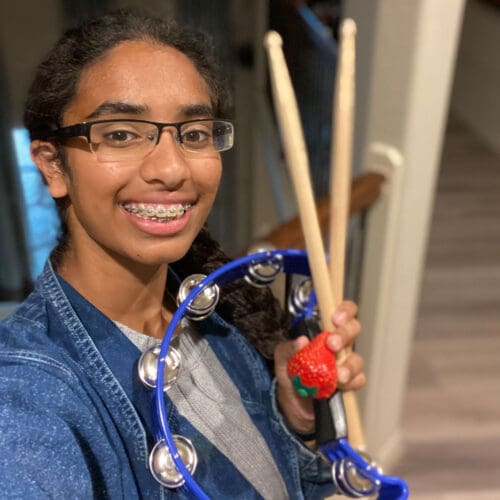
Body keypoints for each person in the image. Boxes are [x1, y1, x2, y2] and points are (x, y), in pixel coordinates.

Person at [0, 9, 365, 499]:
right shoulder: (25, 396)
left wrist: (294, 421)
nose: (172, 168)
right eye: (122, 134)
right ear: (52, 165)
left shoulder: (214, 318)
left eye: (193, 135)